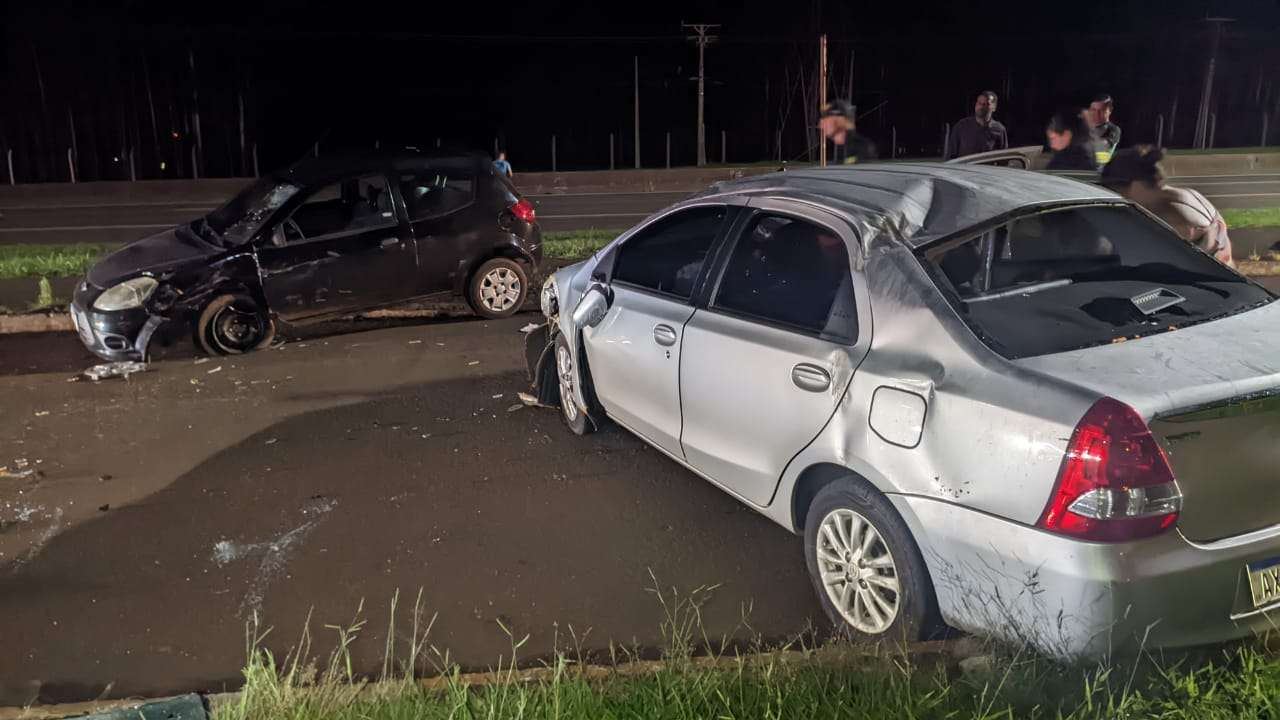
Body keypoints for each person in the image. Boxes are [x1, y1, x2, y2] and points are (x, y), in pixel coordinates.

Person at [1101, 146, 1235, 267]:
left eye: (1116, 189)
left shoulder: (1167, 219)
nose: (1117, 197)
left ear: (1136, 184)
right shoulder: (1191, 195)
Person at [944, 91, 1009, 160]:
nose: (981, 107)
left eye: (986, 104)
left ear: (994, 108)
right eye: (979, 103)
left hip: (987, 170)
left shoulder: (999, 129)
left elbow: (1003, 158)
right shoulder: (961, 126)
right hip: (965, 169)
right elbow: (951, 155)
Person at [819, 100, 878, 164]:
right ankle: (846, 159)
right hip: (844, 131)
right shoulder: (833, 114)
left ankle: (852, 158)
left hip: (847, 130)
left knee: (850, 144)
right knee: (845, 144)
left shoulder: (839, 110)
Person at [1087, 94, 1122, 167]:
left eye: (1102, 110)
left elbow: (1102, 153)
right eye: (1094, 110)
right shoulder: (1084, 126)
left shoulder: (1114, 130)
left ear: (1110, 110)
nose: (1096, 114)